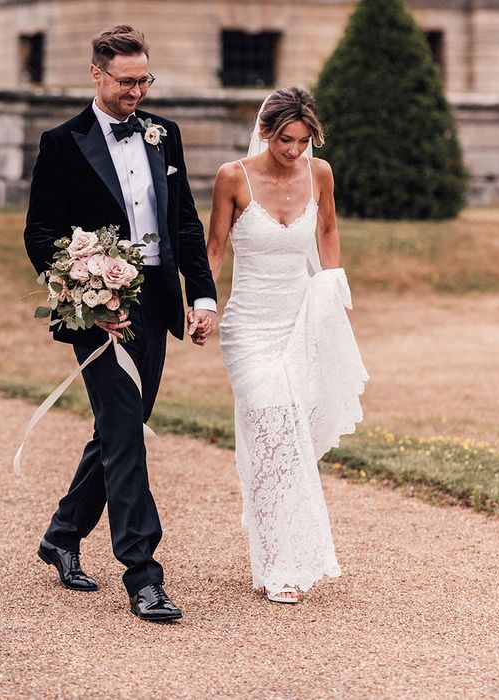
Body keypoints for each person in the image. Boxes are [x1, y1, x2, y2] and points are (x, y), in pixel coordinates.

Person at [23, 25, 217, 622]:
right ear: (96, 75)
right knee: (126, 435)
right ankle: (143, 573)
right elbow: (39, 234)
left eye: (144, 80)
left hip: (155, 305)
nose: (136, 91)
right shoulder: (62, 143)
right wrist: (85, 298)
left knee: (122, 426)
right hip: (98, 313)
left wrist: (202, 297)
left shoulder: (165, 135)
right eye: (126, 81)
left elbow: (183, 223)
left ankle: (61, 534)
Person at [207, 87, 368, 604]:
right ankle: (278, 563)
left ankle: (283, 552)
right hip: (249, 328)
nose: (295, 151)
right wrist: (202, 306)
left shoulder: (319, 174)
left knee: (290, 439)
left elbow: (327, 230)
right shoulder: (233, 177)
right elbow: (214, 247)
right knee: (273, 426)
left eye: (303, 141)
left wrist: (330, 288)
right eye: (285, 140)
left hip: (301, 320)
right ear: (266, 131)